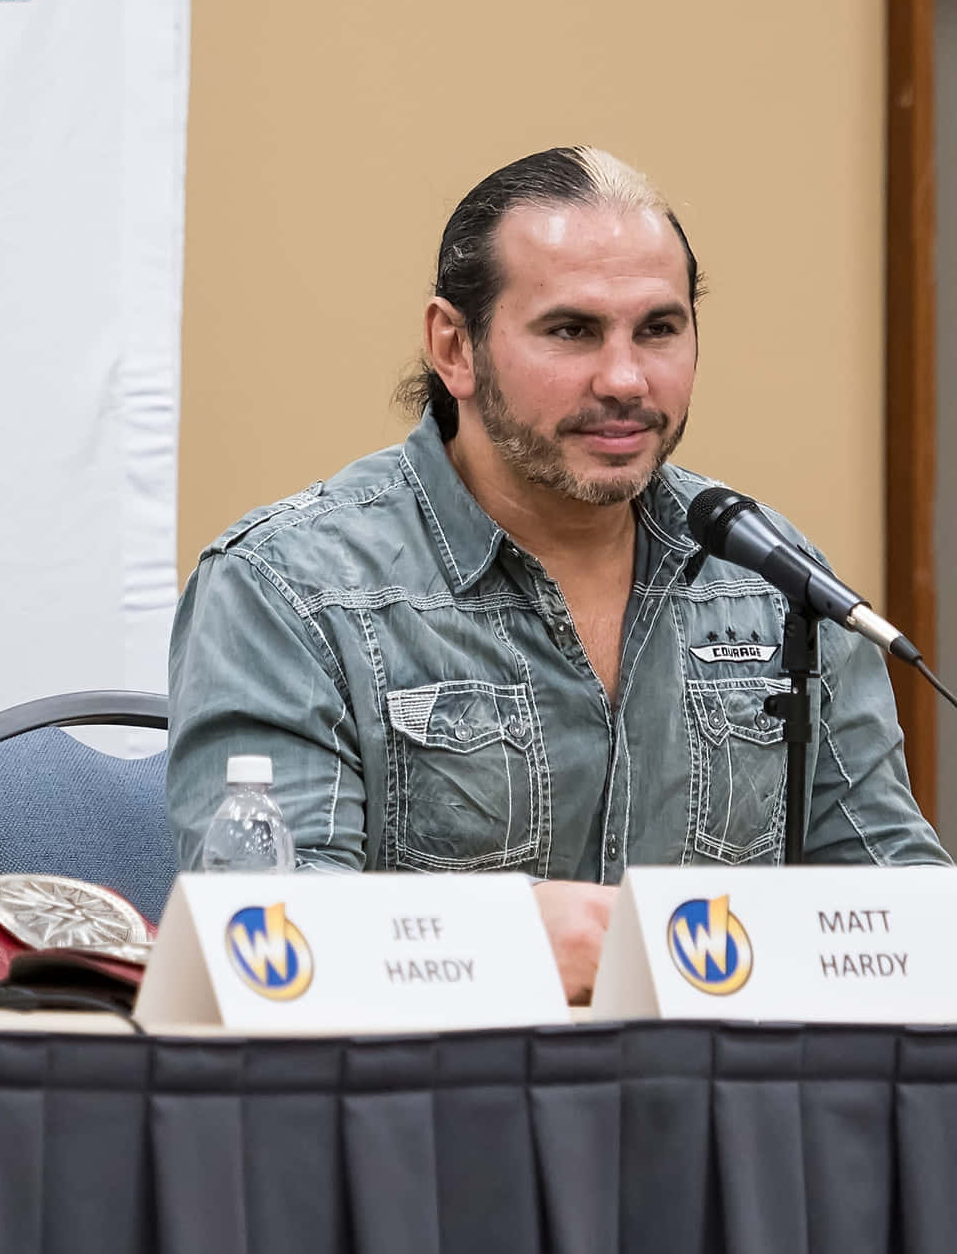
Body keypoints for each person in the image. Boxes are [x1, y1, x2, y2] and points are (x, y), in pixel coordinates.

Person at [166, 146, 950, 1001]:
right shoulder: (289, 587)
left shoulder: (769, 582)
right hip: (428, 1112)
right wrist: (499, 944)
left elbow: (897, 905)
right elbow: (260, 947)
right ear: (453, 347)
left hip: (720, 1114)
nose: (624, 379)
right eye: (571, 331)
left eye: (659, 329)